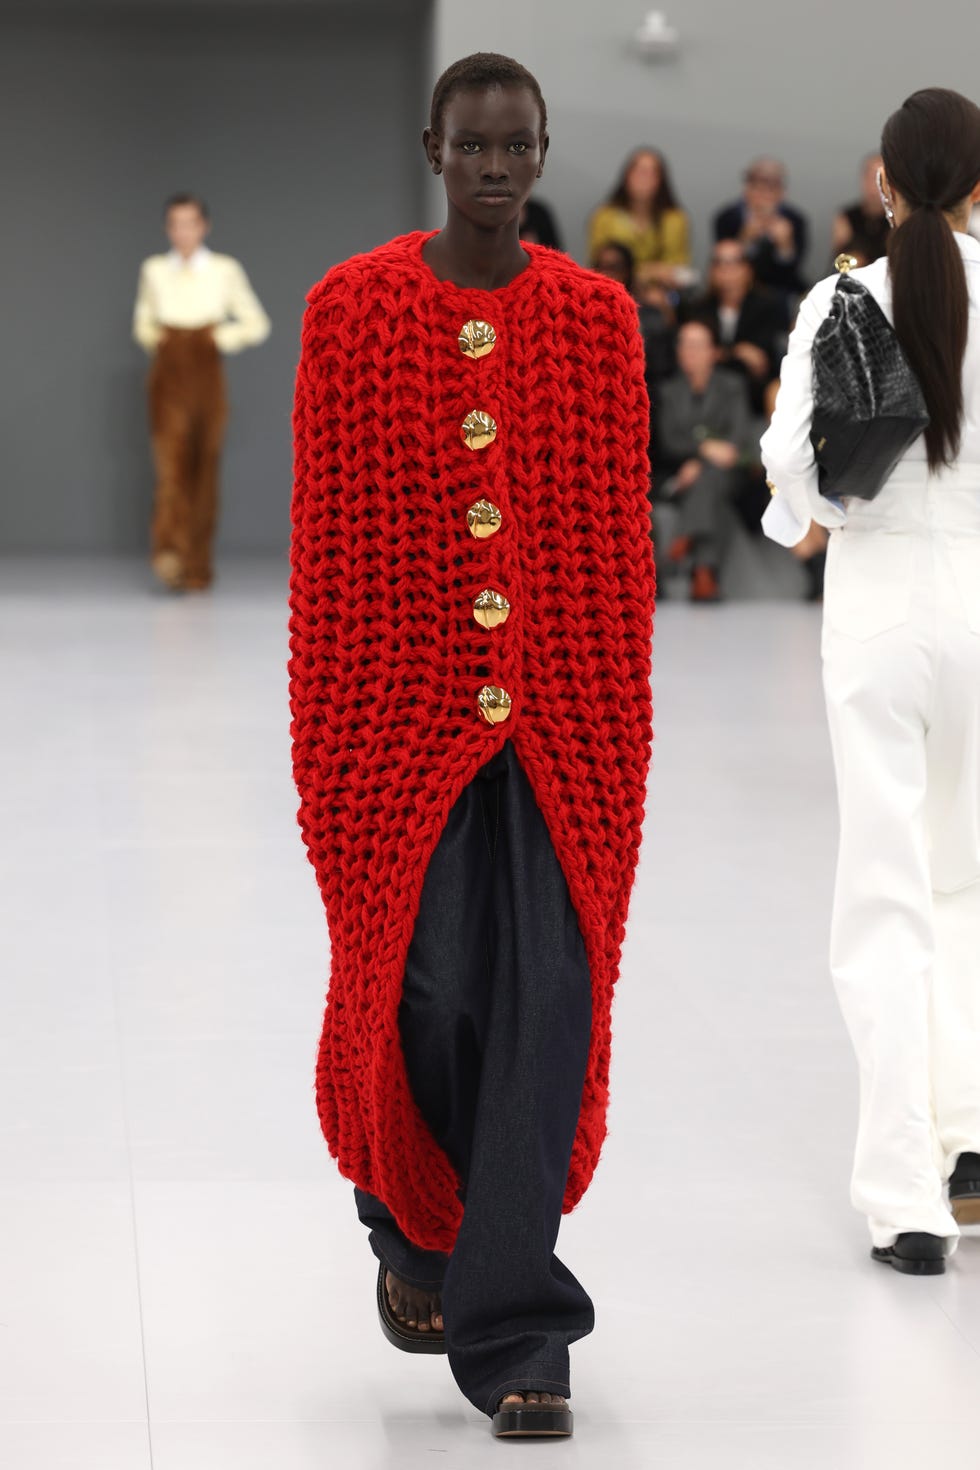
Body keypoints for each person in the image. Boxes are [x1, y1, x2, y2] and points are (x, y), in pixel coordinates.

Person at [288, 53, 655, 1438]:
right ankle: (410, 1222)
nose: (497, 167)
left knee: (548, 996)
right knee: (428, 986)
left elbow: (615, 542)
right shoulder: (352, 312)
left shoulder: (598, 322)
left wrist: (609, 703)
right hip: (396, 714)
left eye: (520, 146)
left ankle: (520, 1327)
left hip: (564, 716)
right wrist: (337, 725)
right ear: (435, 146)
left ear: (545, 149)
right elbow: (332, 540)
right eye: (474, 146)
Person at [761, 88, 980, 1274]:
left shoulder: (842, 296)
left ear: (881, 182)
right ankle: (970, 1143)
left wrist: (802, 507)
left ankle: (906, 1200)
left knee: (884, 895)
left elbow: (794, 467)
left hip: (882, 611)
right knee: (969, 879)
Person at [132, 194, 270, 591]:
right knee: (170, 466)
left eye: (190, 223)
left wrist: (216, 340)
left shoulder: (224, 270)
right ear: (167, 229)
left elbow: (255, 322)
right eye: (175, 224)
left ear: (204, 226)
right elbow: (143, 319)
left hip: (207, 371)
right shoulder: (155, 270)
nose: (183, 232)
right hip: (168, 369)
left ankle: (197, 566)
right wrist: (159, 341)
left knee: (204, 468)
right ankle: (169, 554)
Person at [653, 317, 753, 600]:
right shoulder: (669, 390)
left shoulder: (732, 385)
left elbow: (737, 438)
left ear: (714, 351)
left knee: (710, 476)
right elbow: (669, 441)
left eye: (697, 345)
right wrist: (705, 450)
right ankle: (703, 575)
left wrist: (702, 458)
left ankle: (685, 534)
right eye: (684, 344)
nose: (689, 351)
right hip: (683, 474)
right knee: (709, 487)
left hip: (730, 473)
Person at [685, 240, 787, 414]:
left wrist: (719, 354)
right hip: (706, 385)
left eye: (733, 262)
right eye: (719, 262)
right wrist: (737, 351)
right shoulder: (697, 308)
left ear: (748, 269)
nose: (725, 269)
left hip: (753, 388)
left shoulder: (769, 306)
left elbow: (761, 359)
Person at [589, 147, 693, 287]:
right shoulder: (604, 216)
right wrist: (653, 271)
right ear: (626, 176)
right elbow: (599, 264)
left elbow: (677, 270)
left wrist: (634, 272)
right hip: (612, 287)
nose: (643, 178)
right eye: (639, 171)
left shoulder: (675, 219)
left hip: (661, 293)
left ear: (661, 180)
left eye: (651, 172)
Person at [714, 158, 808, 300]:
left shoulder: (795, 220)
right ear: (747, 190)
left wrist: (785, 247)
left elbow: (793, 269)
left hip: (782, 289)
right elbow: (722, 264)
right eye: (758, 187)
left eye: (771, 189)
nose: (764, 196)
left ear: (782, 193)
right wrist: (744, 240)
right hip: (738, 289)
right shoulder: (726, 218)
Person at [831, 153, 890, 265]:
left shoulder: (900, 218)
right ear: (863, 179)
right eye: (872, 178)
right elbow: (843, 260)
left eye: (883, 179)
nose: (876, 185)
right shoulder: (847, 217)